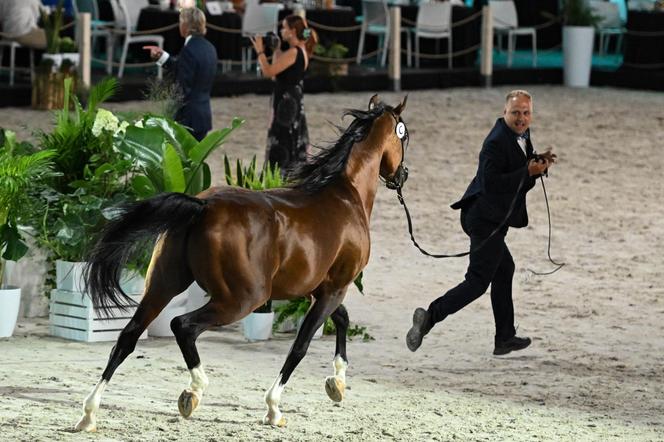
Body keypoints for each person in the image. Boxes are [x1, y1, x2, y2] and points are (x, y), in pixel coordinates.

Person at [406, 90, 556, 356]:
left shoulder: (521, 135)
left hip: (493, 218)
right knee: (477, 282)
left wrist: (536, 165)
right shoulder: (495, 142)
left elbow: (518, 170)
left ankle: (504, 338)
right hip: (483, 219)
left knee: (504, 268)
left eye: (526, 113)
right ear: (504, 113)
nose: (521, 118)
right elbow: (492, 184)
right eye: (516, 113)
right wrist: (527, 172)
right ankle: (429, 317)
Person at [250, 15, 317, 172]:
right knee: (288, 139)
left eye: (284, 27)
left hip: (286, 107)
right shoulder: (299, 50)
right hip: (289, 103)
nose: (281, 30)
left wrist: (260, 51)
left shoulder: (294, 52)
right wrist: (277, 49)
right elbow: (276, 74)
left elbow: (267, 71)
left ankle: (281, 177)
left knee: (284, 140)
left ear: (292, 31)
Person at [144, 7, 217, 141]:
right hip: (203, 116)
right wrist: (162, 57)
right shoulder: (209, 48)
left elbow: (182, 87)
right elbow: (187, 70)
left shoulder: (189, 50)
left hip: (188, 118)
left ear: (185, 26)